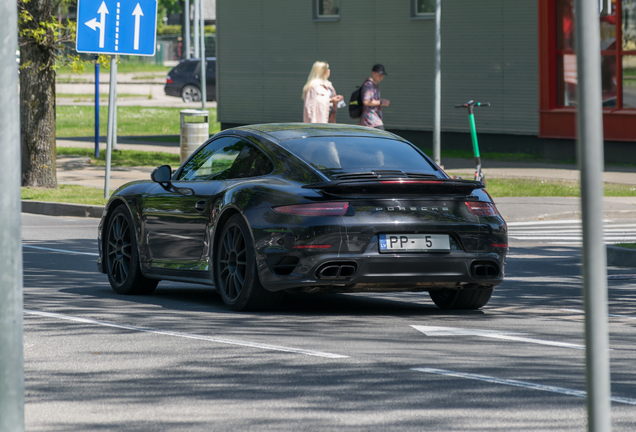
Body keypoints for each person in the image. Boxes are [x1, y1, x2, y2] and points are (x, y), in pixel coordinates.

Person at [359, 64, 390, 130]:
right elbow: (366, 101)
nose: (381, 77)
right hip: (370, 119)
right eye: (379, 75)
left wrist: (381, 101)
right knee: (382, 136)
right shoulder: (369, 85)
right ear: (373, 73)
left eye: (382, 75)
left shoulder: (374, 85)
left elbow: (372, 99)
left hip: (373, 119)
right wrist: (381, 102)